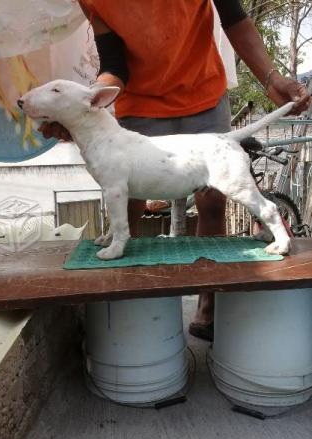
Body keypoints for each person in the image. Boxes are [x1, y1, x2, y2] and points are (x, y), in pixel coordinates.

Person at [40, 0, 310, 341]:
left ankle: (208, 301)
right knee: (130, 199)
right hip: (141, 102)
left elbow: (235, 18)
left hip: (202, 94)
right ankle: (134, 296)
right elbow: (114, 64)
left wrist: (273, 77)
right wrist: (81, 107)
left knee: (212, 200)